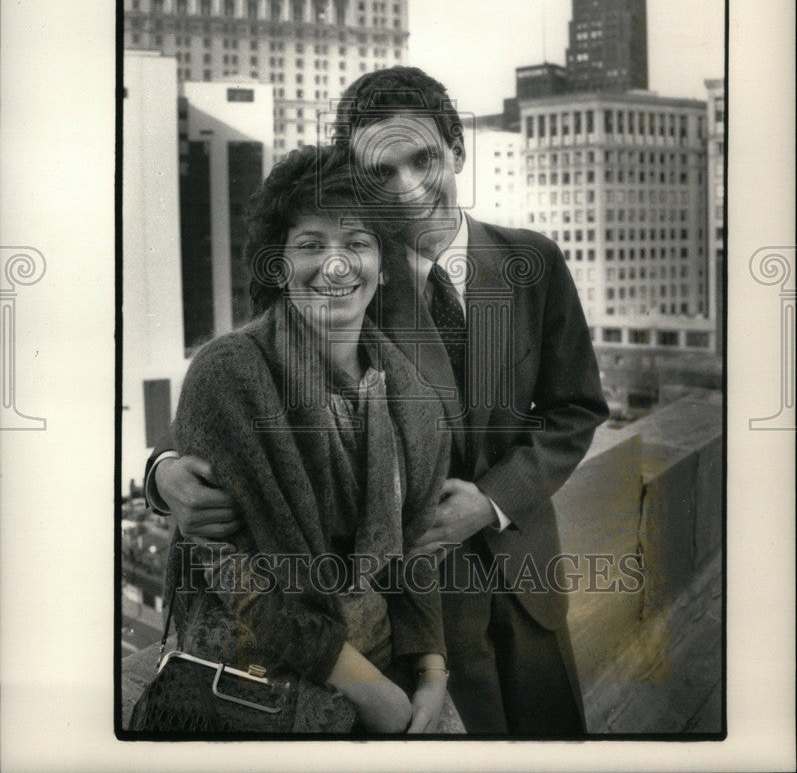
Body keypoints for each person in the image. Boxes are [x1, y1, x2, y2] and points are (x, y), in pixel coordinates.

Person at [147, 66, 609, 735]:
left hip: (525, 577)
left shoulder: (531, 261)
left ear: (456, 149)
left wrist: (492, 500)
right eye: (380, 173)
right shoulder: (346, 276)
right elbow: (249, 386)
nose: (409, 186)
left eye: (422, 158)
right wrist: (161, 473)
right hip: (413, 617)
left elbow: (575, 408)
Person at [157, 144, 453, 734]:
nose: (336, 266)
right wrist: (368, 690)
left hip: (385, 663)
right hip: (256, 683)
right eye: (311, 244)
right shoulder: (229, 374)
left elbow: (416, 542)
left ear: (384, 261)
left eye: (357, 243)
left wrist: (432, 669)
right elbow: (230, 568)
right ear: (279, 264)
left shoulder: (413, 397)